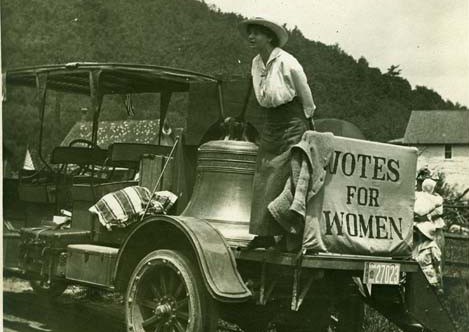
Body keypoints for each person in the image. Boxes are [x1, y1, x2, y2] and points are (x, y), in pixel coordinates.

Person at [238, 17, 316, 249]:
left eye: (257, 33)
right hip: (271, 121)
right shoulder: (255, 63)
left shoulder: (287, 61)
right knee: (265, 172)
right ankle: (264, 233)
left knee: (288, 174)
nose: (251, 37)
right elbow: (260, 95)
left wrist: (307, 120)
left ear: (269, 37)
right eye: (250, 33)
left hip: (292, 120)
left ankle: (286, 236)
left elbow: (305, 93)